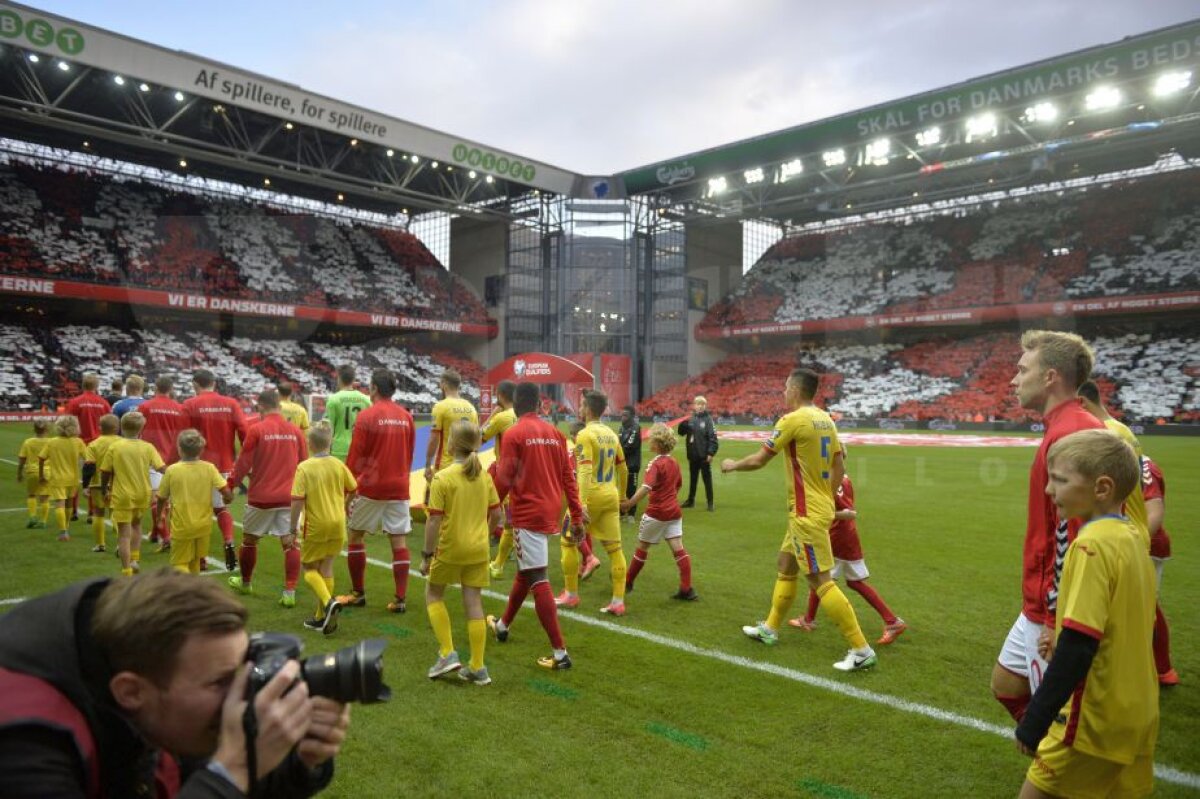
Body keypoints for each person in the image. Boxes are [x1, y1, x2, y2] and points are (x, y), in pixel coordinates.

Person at [0, 569, 350, 797]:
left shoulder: (147, 678)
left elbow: (199, 780)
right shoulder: (23, 742)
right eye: (222, 681)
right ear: (130, 692)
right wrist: (234, 767)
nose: (242, 695)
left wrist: (303, 762)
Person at [1014, 430, 1157, 799]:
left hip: (1093, 716)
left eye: (1060, 480)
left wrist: (1036, 719)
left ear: (1101, 488)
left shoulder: (1090, 546)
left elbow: (1079, 643)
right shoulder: (1132, 539)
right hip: (1138, 711)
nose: (1049, 490)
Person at [722, 368, 877, 672]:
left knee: (820, 580)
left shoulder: (792, 420)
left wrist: (732, 465)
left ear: (794, 389)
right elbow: (839, 464)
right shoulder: (826, 420)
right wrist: (828, 498)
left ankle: (861, 649)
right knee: (785, 564)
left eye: (784, 387)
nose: (783, 392)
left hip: (806, 513)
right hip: (815, 508)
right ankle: (770, 628)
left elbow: (759, 459)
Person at [992, 331, 1104, 722]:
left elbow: (1075, 535)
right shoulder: (1066, 426)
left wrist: (1057, 620)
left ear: (1051, 376)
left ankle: (1055, 770)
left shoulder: (1071, 433)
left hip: (1052, 606)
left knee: (1057, 718)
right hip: (1041, 600)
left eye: (1023, 369)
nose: (1013, 379)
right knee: (1006, 685)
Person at [488, 381, 586, 671]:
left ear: (516, 404)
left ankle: (560, 653)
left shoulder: (515, 433)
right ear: (540, 405)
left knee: (538, 578)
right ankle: (503, 626)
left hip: (527, 513)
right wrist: (577, 516)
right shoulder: (555, 434)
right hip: (549, 511)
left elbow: (504, 479)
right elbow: (569, 478)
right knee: (526, 572)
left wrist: (488, 509)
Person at [420, 420, 503, 685]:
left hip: (450, 546)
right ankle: (478, 667)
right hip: (478, 549)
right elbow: (497, 515)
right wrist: (484, 535)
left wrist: (426, 554)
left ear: (451, 444)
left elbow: (433, 521)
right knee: (474, 602)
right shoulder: (484, 475)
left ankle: (447, 652)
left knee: (433, 593)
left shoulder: (443, 477)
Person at [787, 472, 907, 644]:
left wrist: (815, 515)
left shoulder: (827, 481)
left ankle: (808, 620)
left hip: (837, 536)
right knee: (853, 582)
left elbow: (842, 512)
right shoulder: (845, 478)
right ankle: (892, 621)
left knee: (820, 579)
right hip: (848, 534)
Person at [336, 369, 416, 613]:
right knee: (398, 540)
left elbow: (355, 455)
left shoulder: (367, 416)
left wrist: (346, 486)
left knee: (355, 535)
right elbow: (410, 452)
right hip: (399, 485)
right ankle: (400, 599)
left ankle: (358, 593)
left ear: (373, 388)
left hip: (371, 486)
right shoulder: (406, 417)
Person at [227, 390, 308, 607]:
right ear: (279, 406)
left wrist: (230, 486)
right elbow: (305, 465)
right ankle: (289, 592)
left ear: (261, 406)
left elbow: (243, 463)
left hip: (261, 496)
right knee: (290, 544)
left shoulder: (257, 430)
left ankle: (245, 583)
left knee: (250, 540)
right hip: (289, 498)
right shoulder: (296, 432)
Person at [559, 390, 628, 615]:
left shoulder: (585, 435)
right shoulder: (611, 434)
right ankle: (618, 601)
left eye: (581, 406)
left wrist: (580, 503)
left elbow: (585, 470)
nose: (579, 409)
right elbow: (623, 468)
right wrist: (624, 497)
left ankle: (570, 594)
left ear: (588, 409)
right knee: (615, 549)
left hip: (591, 496)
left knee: (567, 542)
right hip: (611, 495)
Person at [290, 421, 357, 635]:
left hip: (316, 524)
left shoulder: (304, 467)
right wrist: (344, 506)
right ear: (330, 443)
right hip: (338, 522)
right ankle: (321, 617)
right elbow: (354, 488)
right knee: (326, 567)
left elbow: (297, 500)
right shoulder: (338, 464)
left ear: (309, 443)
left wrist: (292, 528)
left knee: (309, 568)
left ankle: (329, 603)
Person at [620, 423, 696, 600]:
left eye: (651, 438)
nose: (648, 440)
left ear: (657, 444)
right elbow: (678, 485)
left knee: (642, 547)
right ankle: (686, 588)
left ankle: (628, 582)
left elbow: (646, 487)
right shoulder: (674, 462)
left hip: (656, 513)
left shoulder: (655, 463)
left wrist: (629, 504)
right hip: (674, 512)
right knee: (678, 547)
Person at [183, 369, 248, 572]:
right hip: (224, 465)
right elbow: (244, 431)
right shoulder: (231, 403)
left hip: (197, 465)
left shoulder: (190, 404)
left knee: (198, 511)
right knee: (221, 509)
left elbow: (184, 436)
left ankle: (200, 558)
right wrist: (246, 458)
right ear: (214, 384)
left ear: (195, 384)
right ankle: (228, 540)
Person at [1077, 380, 1148, 545]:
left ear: (1082, 402)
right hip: (1136, 529)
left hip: (1118, 537)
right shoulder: (1122, 429)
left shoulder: (1104, 433)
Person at [99, 412, 166, 576]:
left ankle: (127, 570)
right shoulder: (148, 447)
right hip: (143, 493)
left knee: (123, 535)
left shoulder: (115, 447)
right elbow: (161, 468)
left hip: (122, 494)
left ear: (121, 428)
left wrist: (103, 487)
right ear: (142, 428)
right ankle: (135, 559)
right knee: (137, 525)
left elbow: (105, 471)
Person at [158, 430, 232, 574]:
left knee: (180, 563)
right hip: (203, 525)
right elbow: (226, 491)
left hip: (182, 525)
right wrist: (227, 498)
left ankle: (185, 592)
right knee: (195, 561)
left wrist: (160, 516)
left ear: (179, 448)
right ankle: (193, 590)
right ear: (201, 449)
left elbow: (161, 497)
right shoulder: (209, 468)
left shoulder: (172, 470)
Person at [141, 375, 192, 549]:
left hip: (153, 458)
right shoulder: (179, 408)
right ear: (171, 389)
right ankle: (156, 533)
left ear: (155, 388)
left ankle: (166, 536)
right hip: (174, 458)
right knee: (167, 500)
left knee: (157, 500)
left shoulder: (145, 406)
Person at [1142, 455, 1178, 686]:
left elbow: (1154, 511)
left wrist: (1131, 546)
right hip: (1134, 542)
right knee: (1147, 606)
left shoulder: (1141, 465)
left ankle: (1161, 668)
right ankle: (1162, 669)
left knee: (1144, 609)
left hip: (1146, 546)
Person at [482, 380, 518, 579]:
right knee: (510, 514)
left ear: (501, 395)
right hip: (523, 472)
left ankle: (488, 550)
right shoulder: (522, 416)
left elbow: (480, 437)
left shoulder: (502, 417)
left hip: (505, 472)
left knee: (498, 512)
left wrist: (491, 416)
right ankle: (505, 551)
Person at [424, 369, 478, 496]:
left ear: (443, 384)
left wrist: (427, 465)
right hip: (466, 465)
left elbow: (434, 439)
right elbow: (476, 439)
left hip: (445, 465)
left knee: (435, 503)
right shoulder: (471, 407)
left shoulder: (440, 407)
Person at [66, 373, 112, 522]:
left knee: (74, 477)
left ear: (83, 385)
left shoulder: (74, 402)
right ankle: (92, 512)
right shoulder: (103, 403)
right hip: (98, 444)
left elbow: (68, 424)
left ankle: (73, 510)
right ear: (96, 386)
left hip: (78, 443)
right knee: (94, 479)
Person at [37, 415, 87, 543]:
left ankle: (63, 531)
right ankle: (67, 527)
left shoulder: (52, 442)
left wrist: (41, 474)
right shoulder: (78, 442)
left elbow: (41, 458)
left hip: (57, 478)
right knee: (70, 503)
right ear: (75, 428)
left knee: (60, 503)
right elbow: (88, 458)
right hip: (73, 478)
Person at [82, 414, 120, 553]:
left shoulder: (93, 444)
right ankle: (120, 543)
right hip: (118, 484)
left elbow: (89, 466)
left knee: (98, 513)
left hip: (97, 484)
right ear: (117, 428)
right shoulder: (122, 442)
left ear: (100, 428)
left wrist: (85, 485)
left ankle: (100, 544)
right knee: (116, 513)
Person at [324, 365, 370, 462]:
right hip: (361, 449)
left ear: (339, 378)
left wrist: (326, 451)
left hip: (339, 449)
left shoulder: (333, 399)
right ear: (353, 380)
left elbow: (328, 427)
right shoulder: (366, 400)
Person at [679, 395, 717, 510]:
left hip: (704, 455)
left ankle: (710, 503)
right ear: (694, 406)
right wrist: (682, 426)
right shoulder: (691, 418)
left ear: (705, 406)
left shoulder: (708, 420)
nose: (700, 406)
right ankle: (691, 500)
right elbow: (681, 433)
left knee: (707, 479)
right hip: (693, 454)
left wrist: (711, 453)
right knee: (693, 479)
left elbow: (713, 438)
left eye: (702, 404)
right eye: (698, 404)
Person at [16, 417, 50, 529]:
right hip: (47, 472)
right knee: (45, 497)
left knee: (31, 495)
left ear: (34, 429)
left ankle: (32, 517)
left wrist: (19, 473)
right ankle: (44, 521)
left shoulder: (28, 442)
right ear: (47, 429)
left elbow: (22, 459)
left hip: (32, 472)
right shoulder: (51, 442)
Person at [618, 405, 641, 520]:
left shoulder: (636, 428)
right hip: (622, 464)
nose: (623, 417)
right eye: (622, 415)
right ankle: (622, 512)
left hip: (632, 464)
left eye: (625, 415)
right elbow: (617, 444)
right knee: (622, 489)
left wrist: (618, 454)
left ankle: (631, 514)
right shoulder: (621, 429)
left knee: (631, 489)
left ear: (632, 416)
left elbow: (630, 446)